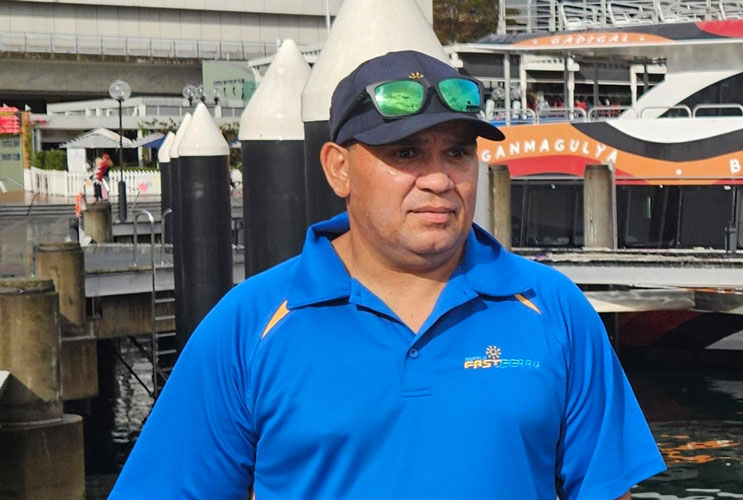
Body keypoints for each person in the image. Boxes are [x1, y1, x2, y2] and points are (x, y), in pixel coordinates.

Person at [111, 51, 665, 499]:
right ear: (338, 168)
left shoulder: (553, 308)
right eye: (405, 152)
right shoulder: (250, 324)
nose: (439, 179)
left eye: (457, 152)